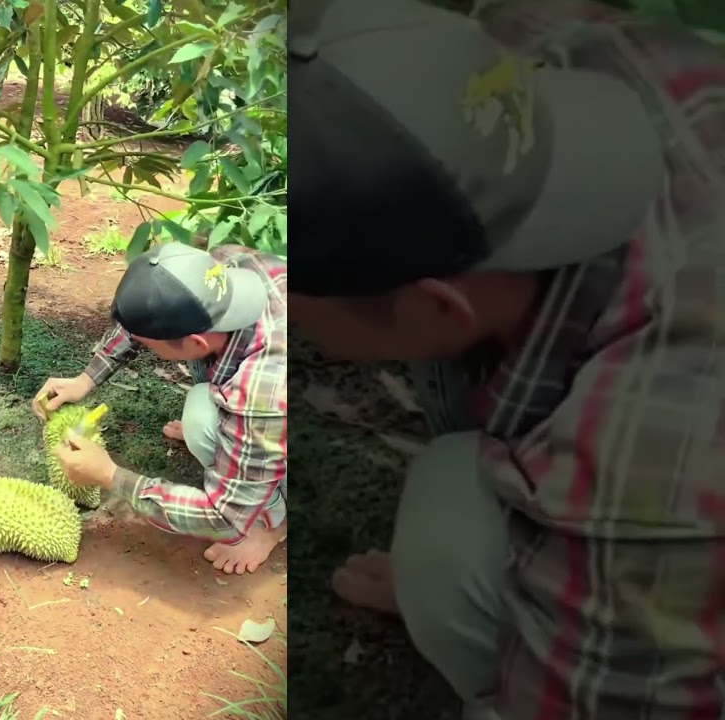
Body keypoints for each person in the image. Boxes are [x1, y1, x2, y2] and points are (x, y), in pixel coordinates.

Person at [288, 0, 725, 718]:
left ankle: (547, 615)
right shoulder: (557, 51)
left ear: (438, 308)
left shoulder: (643, 458)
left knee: (448, 537)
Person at [32, 241, 287, 575]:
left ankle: (273, 522)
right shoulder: (223, 270)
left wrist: (110, 476)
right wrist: (86, 378)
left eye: (149, 344)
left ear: (196, 341)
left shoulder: (262, 388)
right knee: (204, 410)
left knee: (202, 419)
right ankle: (240, 441)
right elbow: (152, 312)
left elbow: (224, 518)